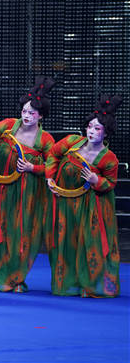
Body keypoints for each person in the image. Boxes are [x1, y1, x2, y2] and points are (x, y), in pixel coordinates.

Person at [0, 76, 56, 292]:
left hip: (24, 194)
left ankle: (15, 275)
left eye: (33, 113)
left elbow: (53, 167)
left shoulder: (45, 139)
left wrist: (32, 168)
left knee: (18, 230)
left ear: (41, 115)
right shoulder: (9, 125)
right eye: (25, 111)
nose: (27, 116)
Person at [45, 95, 121, 297]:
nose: (92, 132)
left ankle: (91, 284)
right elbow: (52, 155)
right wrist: (50, 178)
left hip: (92, 206)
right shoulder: (72, 142)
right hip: (65, 203)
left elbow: (111, 184)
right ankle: (69, 281)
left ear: (106, 132)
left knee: (88, 242)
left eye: (97, 129)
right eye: (90, 127)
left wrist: (97, 181)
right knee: (66, 240)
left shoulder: (109, 158)